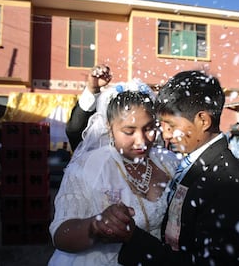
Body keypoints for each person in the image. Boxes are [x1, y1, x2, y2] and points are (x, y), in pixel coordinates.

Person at [116, 70, 239, 265]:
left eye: (171, 125)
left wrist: (134, 238)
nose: (165, 135)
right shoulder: (194, 162)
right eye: (162, 126)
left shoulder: (227, 183)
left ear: (203, 121)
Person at [48, 80, 179, 265]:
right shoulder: (88, 167)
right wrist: (94, 226)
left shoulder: (169, 163)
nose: (141, 140)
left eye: (149, 129)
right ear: (110, 129)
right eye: (129, 131)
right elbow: (61, 234)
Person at [65, 64, 112, 151]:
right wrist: (93, 89)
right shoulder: (92, 149)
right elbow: (75, 129)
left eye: (145, 129)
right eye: (129, 131)